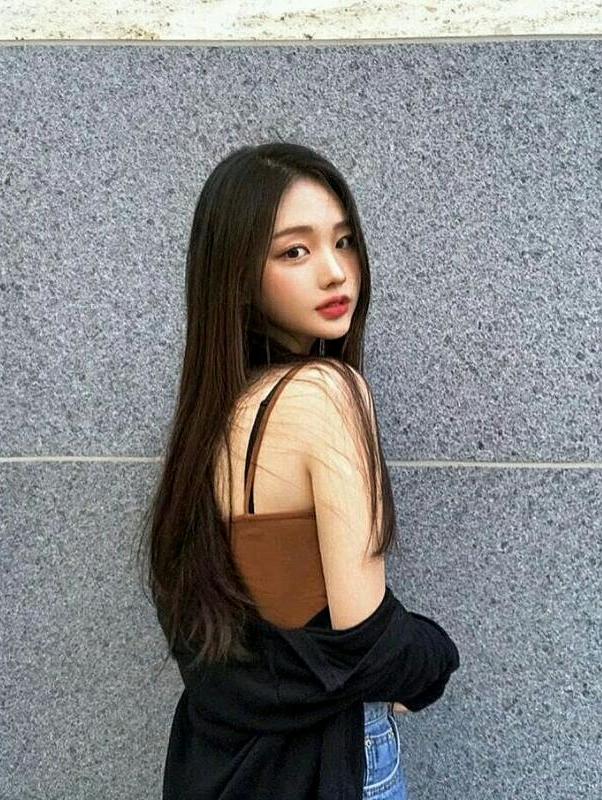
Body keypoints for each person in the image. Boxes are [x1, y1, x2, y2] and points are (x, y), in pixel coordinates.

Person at [136, 141, 460, 799]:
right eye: (295, 252)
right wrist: (435, 660)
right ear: (237, 274)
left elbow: (266, 625)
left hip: (220, 763)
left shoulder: (216, 413)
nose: (336, 272)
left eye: (344, 242)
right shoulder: (325, 393)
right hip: (328, 760)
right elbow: (366, 638)